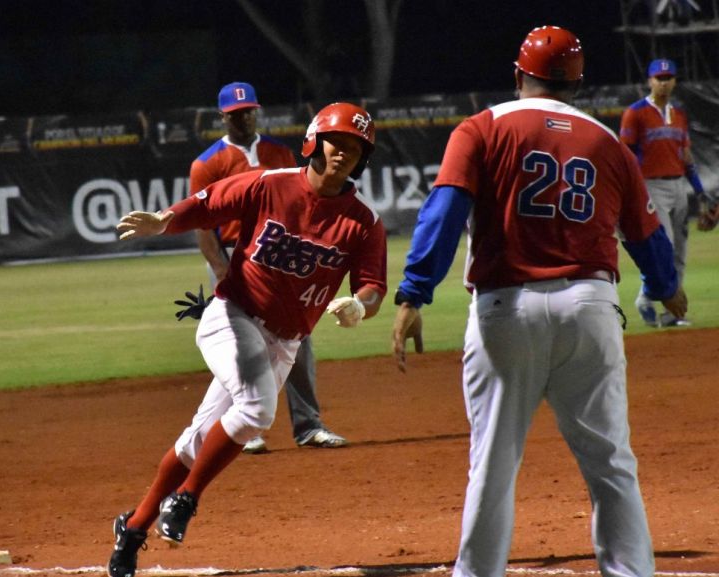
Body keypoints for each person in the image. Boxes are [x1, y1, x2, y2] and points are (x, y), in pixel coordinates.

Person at [390, 26, 687, 577]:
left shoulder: (483, 127)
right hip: (591, 309)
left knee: (493, 465)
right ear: (577, 83)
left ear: (518, 73)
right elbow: (646, 233)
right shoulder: (608, 142)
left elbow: (446, 211)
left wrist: (414, 291)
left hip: (507, 311)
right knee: (611, 463)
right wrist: (668, 289)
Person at [109, 102, 386, 577]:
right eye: (336, 142)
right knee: (257, 410)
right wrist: (164, 219)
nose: (344, 154)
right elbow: (208, 204)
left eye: (355, 148)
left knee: (198, 440)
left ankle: (132, 528)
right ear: (314, 143)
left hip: (286, 341)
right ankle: (187, 499)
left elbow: (373, 285)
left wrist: (361, 304)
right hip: (233, 315)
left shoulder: (363, 222)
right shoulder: (271, 183)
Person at [190, 81, 348, 454]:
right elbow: (204, 227)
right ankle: (245, 426)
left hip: (280, 254)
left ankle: (309, 426)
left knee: (298, 339)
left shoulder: (280, 153)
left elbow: (302, 204)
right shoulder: (206, 164)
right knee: (239, 348)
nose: (244, 118)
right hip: (233, 258)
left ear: (257, 112)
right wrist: (224, 273)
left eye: (249, 111)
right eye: (235, 114)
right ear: (223, 117)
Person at [620, 58, 710, 327]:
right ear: (649, 81)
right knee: (665, 247)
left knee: (680, 252)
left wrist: (700, 192)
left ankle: (673, 314)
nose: (663, 82)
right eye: (658, 78)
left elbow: (686, 156)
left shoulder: (679, 114)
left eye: (668, 77)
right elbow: (626, 154)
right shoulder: (635, 112)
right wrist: (635, 190)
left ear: (675, 81)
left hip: (678, 185)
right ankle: (646, 297)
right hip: (651, 186)